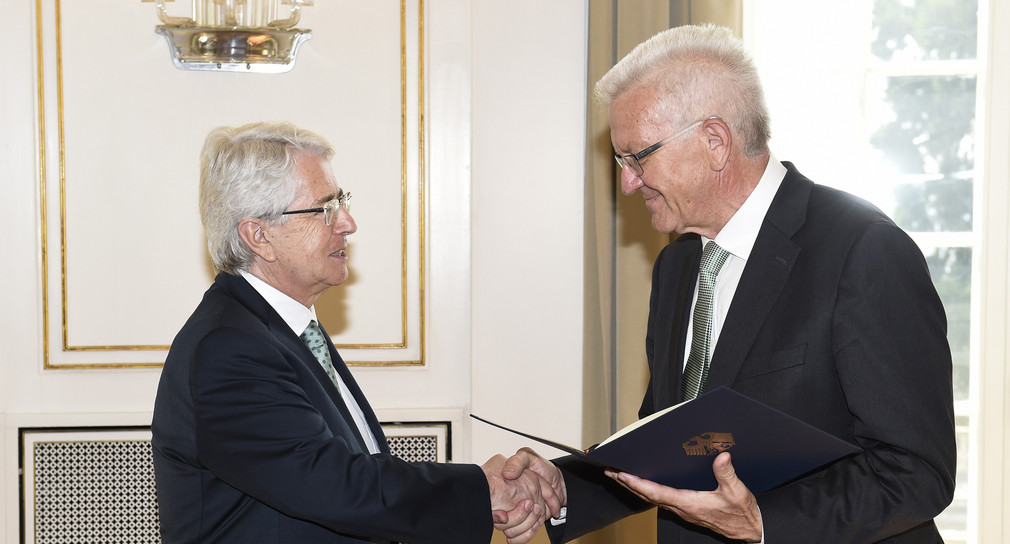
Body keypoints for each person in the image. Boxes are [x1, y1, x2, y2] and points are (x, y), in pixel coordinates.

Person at [503, 24, 956, 543]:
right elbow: (669, 452)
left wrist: (765, 526)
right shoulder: (676, 267)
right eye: (621, 161)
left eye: (638, 157)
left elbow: (918, 471)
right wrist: (562, 486)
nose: (627, 182)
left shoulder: (863, 250)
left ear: (715, 142)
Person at [151, 121, 558, 544]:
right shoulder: (229, 349)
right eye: (324, 208)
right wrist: (484, 489)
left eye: (341, 201)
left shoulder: (286, 329)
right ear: (259, 236)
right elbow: (334, 485)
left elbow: (355, 474)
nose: (348, 222)